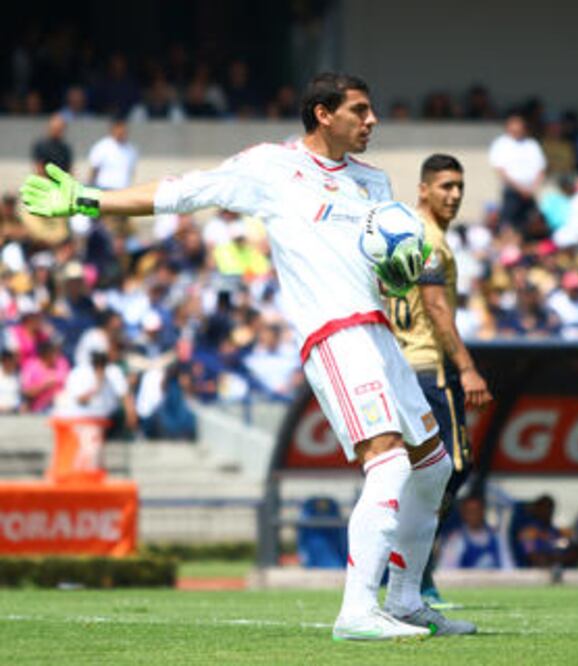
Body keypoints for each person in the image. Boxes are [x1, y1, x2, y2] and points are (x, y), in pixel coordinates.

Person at [21, 72, 472, 641]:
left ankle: (405, 601)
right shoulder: (271, 167)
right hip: (334, 335)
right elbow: (183, 192)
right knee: (388, 463)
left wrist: (396, 270)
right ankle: (357, 612)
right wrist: (87, 199)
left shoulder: (375, 182)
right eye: (359, 110)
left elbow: (377, 258)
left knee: (432, 467)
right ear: (322, 114)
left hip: (379, 332)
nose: (372, 120)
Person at [386, 154, 493, 607]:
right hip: (430, 369)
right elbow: (434, 305)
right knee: (450, 468)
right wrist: (467, 367)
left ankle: (403, 571)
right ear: (423, 189)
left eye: (459, 188)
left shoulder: (401, 234)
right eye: (445, 186)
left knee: (416, 473)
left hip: (401, 366)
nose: (453, 195)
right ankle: (415, 574)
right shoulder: (430, 241)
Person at [488, 111, 546, 233]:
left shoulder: (532, 144)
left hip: (529, 193)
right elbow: (500, 171)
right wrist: (520, 189)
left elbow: (541, 169)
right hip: (512, 192)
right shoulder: (501, 144)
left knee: (532, 223)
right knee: (508, 225)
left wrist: (532, 188)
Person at [438, 494, 513, 570]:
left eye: (477, 510)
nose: (474, 515)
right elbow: (446, 571)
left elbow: (508, 567)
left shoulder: (497, 538)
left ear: (483, 512)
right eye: (470, 511)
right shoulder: (456, 540)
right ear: (464, 513)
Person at [88, 116, 138, 191]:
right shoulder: (102, 146)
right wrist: (90, 188)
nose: (121, 131)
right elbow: (94, 169)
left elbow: (131, 171)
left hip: (123, 189)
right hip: (104, 188)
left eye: (123, 129)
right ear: (113, 129)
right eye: (119, 128)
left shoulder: (131, 149)